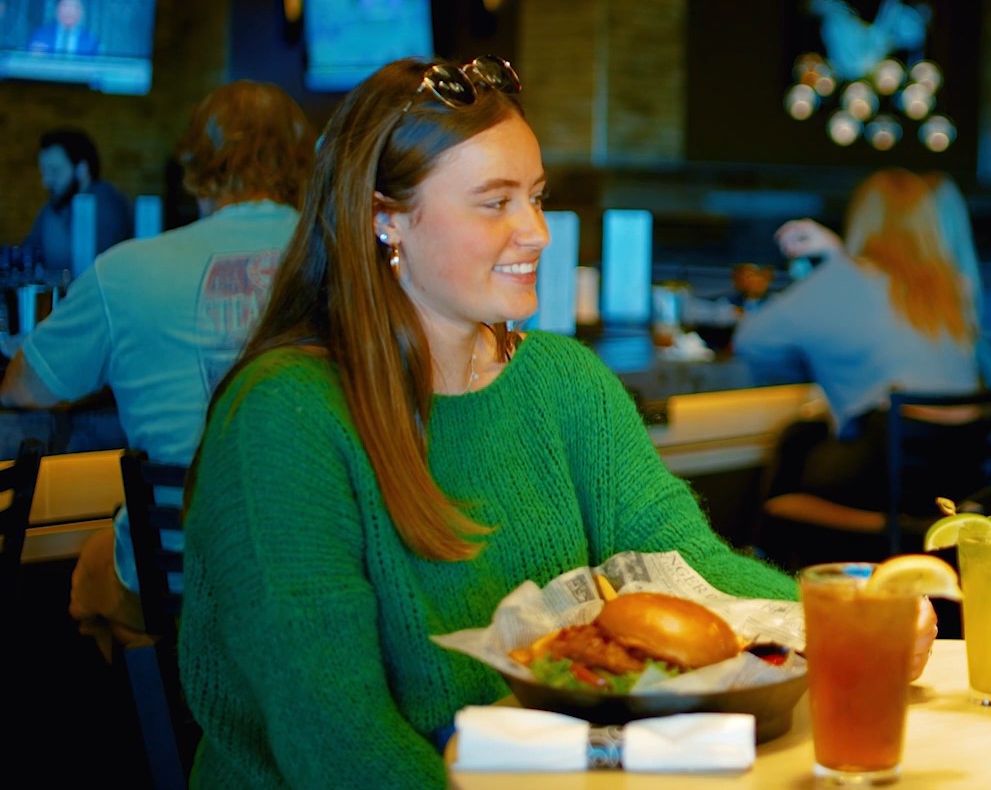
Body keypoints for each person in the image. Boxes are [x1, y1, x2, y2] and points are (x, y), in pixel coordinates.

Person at [178, 58, 935, 789]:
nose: (537, 231)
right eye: (495, 201)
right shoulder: (285, 416)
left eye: (535, 196)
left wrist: (844, 625)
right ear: (386, 219)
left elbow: (690, 567)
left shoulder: (562, 379)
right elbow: (334, 741)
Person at [1, 81, 314, 657]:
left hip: (181, 579)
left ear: (193, 167)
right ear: (301, 161)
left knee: (96, 566)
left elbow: (23, 386)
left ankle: (163, 725)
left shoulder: (126, 271)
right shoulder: (358, 261)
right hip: (330, 574)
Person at [735, 169, 991, 515]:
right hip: (956, 481)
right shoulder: (952, 287)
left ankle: (766, 560)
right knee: (803, 438)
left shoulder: (845, 277)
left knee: (796, 441)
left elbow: (750, 341)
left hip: (882, 481)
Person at [21, 127, 135, 277]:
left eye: (55, 171)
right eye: (44, 172)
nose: (45, 182)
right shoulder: (54, 206)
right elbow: (26, 255)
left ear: (81, 169)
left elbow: (102, 272)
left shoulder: (106, 205)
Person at [25, 0, 103, 56]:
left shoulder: (91, 40)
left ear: (81, 12)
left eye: (75, 7)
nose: (69, 11)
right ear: (56, 9)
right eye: (65, 5)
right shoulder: (40, 35)